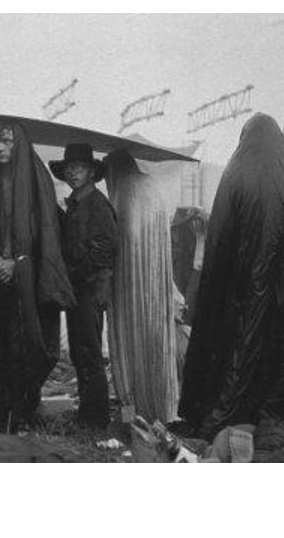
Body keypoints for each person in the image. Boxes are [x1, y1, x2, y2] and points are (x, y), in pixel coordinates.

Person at [179, 114, 284, 449]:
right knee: (280, 350)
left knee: (239, 351)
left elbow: (221, 240)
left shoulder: (237, 172)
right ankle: (272, 420)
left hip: (241, 292)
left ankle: (225, 416)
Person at [0, 122, 74, 433]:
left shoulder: (37, 179)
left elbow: (46, 229)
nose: (1, 148)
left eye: (8, 142)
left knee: (21, 346)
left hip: (27, 280)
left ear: (19, 144)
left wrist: (17, 263)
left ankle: (21, 409)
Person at [103, 149, 179, 423]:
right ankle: (164, 409)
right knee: (156, 345)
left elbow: (122, 241)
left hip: (130, 285)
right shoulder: (152, 187)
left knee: (131, 345)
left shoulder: (124, 192)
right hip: (155, 284)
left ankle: (132, 414)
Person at [49, 143, 118, 428]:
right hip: (79, 289)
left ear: (91, 172)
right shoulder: (77, 203)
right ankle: (88, 415)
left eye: (79, 167)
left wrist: (71, 274)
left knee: (88, 351)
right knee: (80, 351)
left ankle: (96, 418)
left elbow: (103, 251)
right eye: (69, 168)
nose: (72, 172)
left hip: (90, 288)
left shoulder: (97, 205)